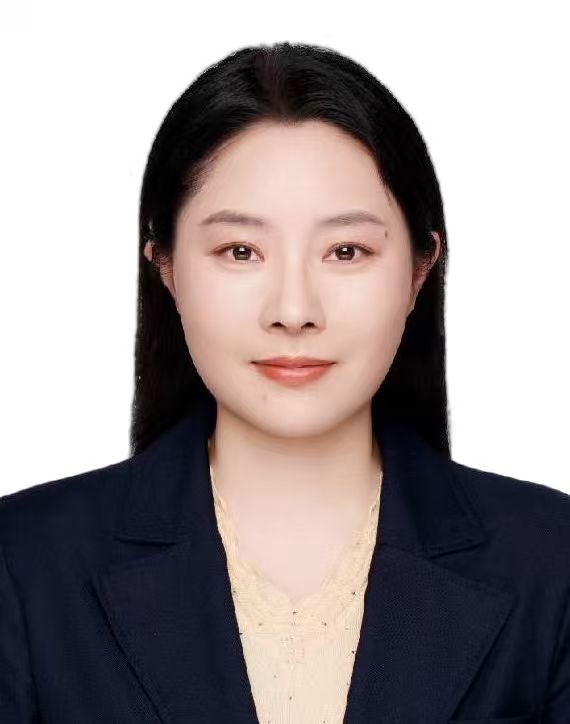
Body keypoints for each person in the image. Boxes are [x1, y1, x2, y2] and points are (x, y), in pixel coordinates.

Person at [0, 41, 568, 724]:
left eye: (346, 251)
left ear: (420, 269)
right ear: (166, 266)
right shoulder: (23, 562)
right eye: (240, 251)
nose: (294, 310)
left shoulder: (552, 562)